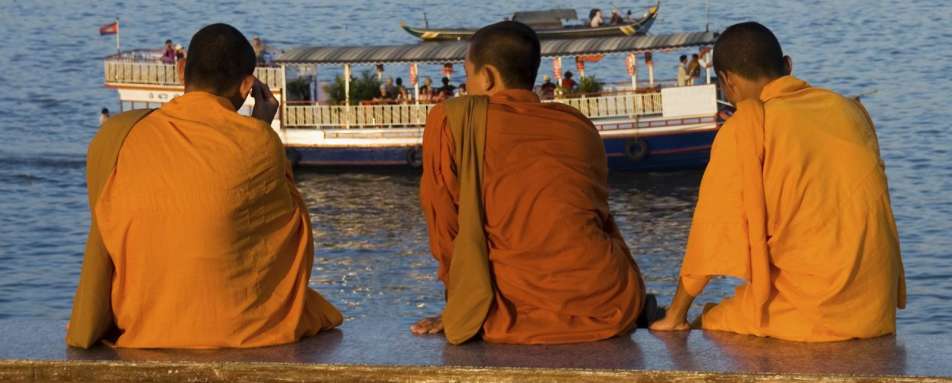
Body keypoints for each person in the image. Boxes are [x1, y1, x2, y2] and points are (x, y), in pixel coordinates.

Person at [66, 23, 342, 349]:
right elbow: (293, 240)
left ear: (181, 70)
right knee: (318, 312)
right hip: (236, 327)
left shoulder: (117, 137)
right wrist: (260, 128)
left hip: (145, 323)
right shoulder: (260, 142)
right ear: (247, 86)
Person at [650, 22, 906, 342]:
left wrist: (675, 316)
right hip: (873, 310)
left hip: (813, 314)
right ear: (787, 66)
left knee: (711, 320)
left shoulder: (745, 128)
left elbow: (713, 235)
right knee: (734, 307)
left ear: (727, 81)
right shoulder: (849, 110)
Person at [414, 20, 654, 345]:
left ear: (486, 77)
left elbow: (445, 227)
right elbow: (598, 215)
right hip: (606, 300)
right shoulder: (577, 126)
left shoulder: (450, 123)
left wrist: (461, 304)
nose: (467, 86)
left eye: (467, 75)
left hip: (509, 310)